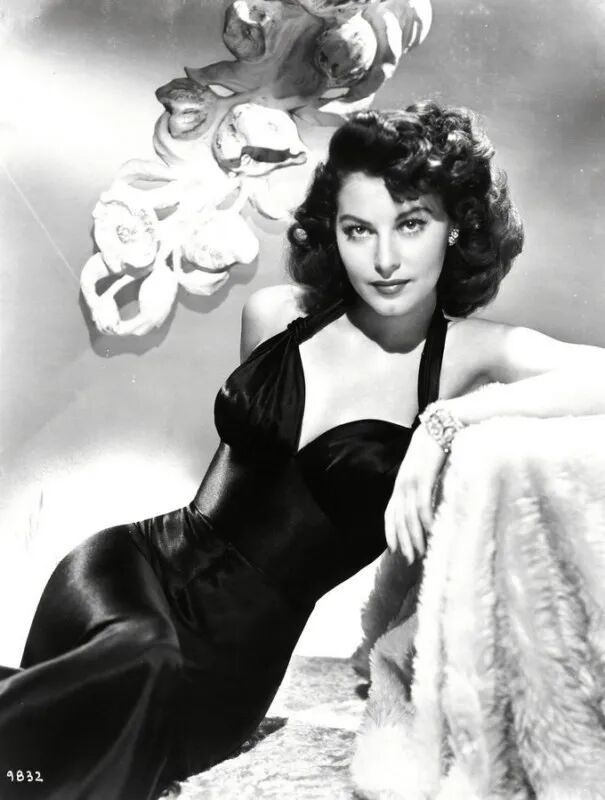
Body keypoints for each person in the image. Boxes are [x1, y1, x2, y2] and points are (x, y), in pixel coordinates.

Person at [1, 100, 604, 800]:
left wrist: (444, 423)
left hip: (232, 671)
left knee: (131, 683)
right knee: (140, 653)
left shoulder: (471, 354)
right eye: (358, 229)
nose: (384, 258)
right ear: (332, 232)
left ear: (457, 227)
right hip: (125, 571)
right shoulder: (276, 313)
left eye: (411, 224)